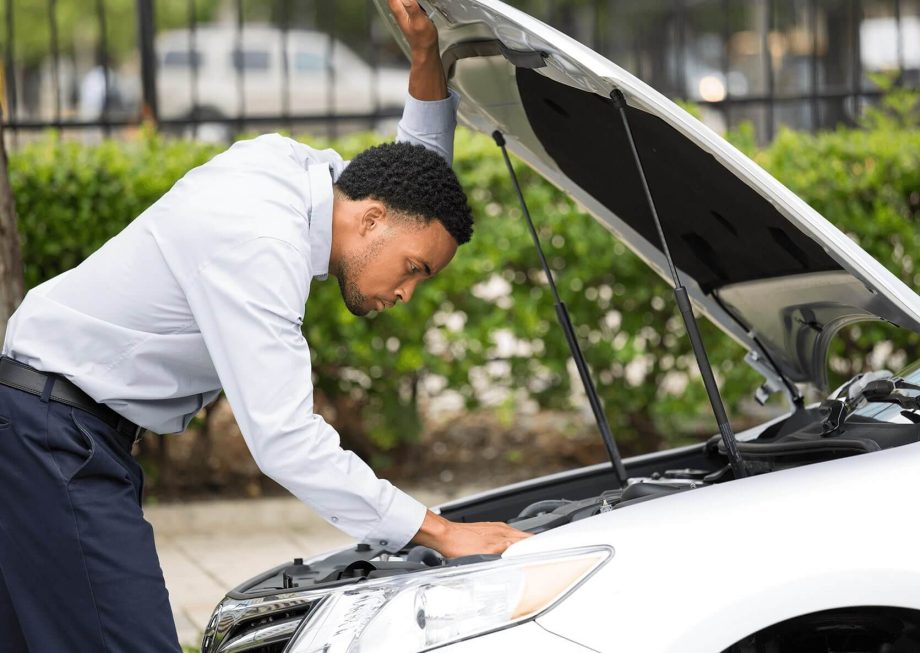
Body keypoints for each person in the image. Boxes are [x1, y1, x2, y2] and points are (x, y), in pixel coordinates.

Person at [0, 1, 529, 650]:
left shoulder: (312, 183)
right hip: (49, 442)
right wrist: (441, 531)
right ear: (369, 221)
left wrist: (426, 60)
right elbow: (284, 439)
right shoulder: (258, 238)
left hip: (45, 427)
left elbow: (417, 184)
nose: (406, 292)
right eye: (414, 269)